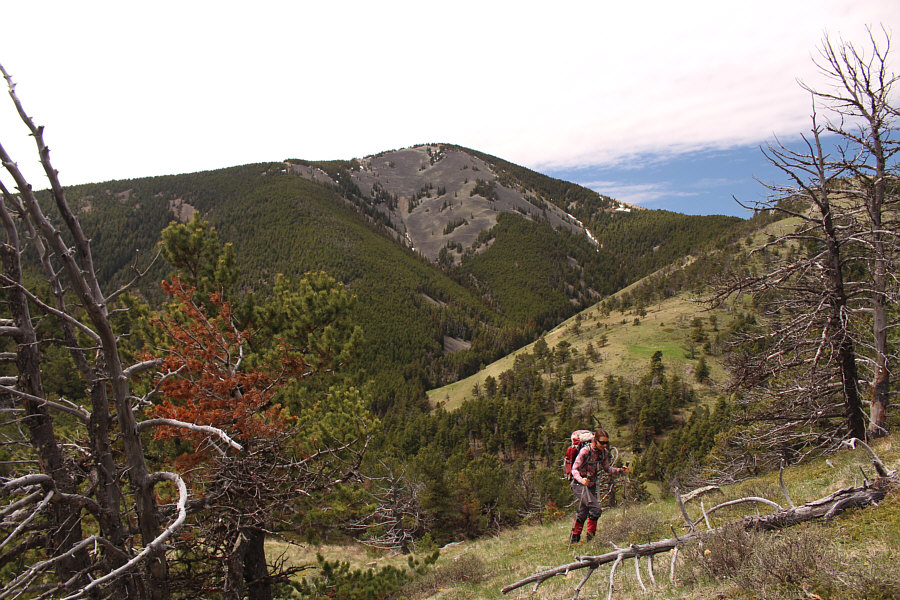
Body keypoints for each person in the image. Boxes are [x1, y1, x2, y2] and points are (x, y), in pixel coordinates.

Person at [569, 428, 628, 544]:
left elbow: (607, 468)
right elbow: (574, 469)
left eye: (606, 443)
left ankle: (574, 539)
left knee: (583, 512)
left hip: (590, 485)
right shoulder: (585, 451)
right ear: (595, 440)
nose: (605, 445)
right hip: (579, 485)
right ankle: (591, 539)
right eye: (602, 443)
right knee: (596, 509)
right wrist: (582, 480)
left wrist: (620, 470)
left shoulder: (604, 453)